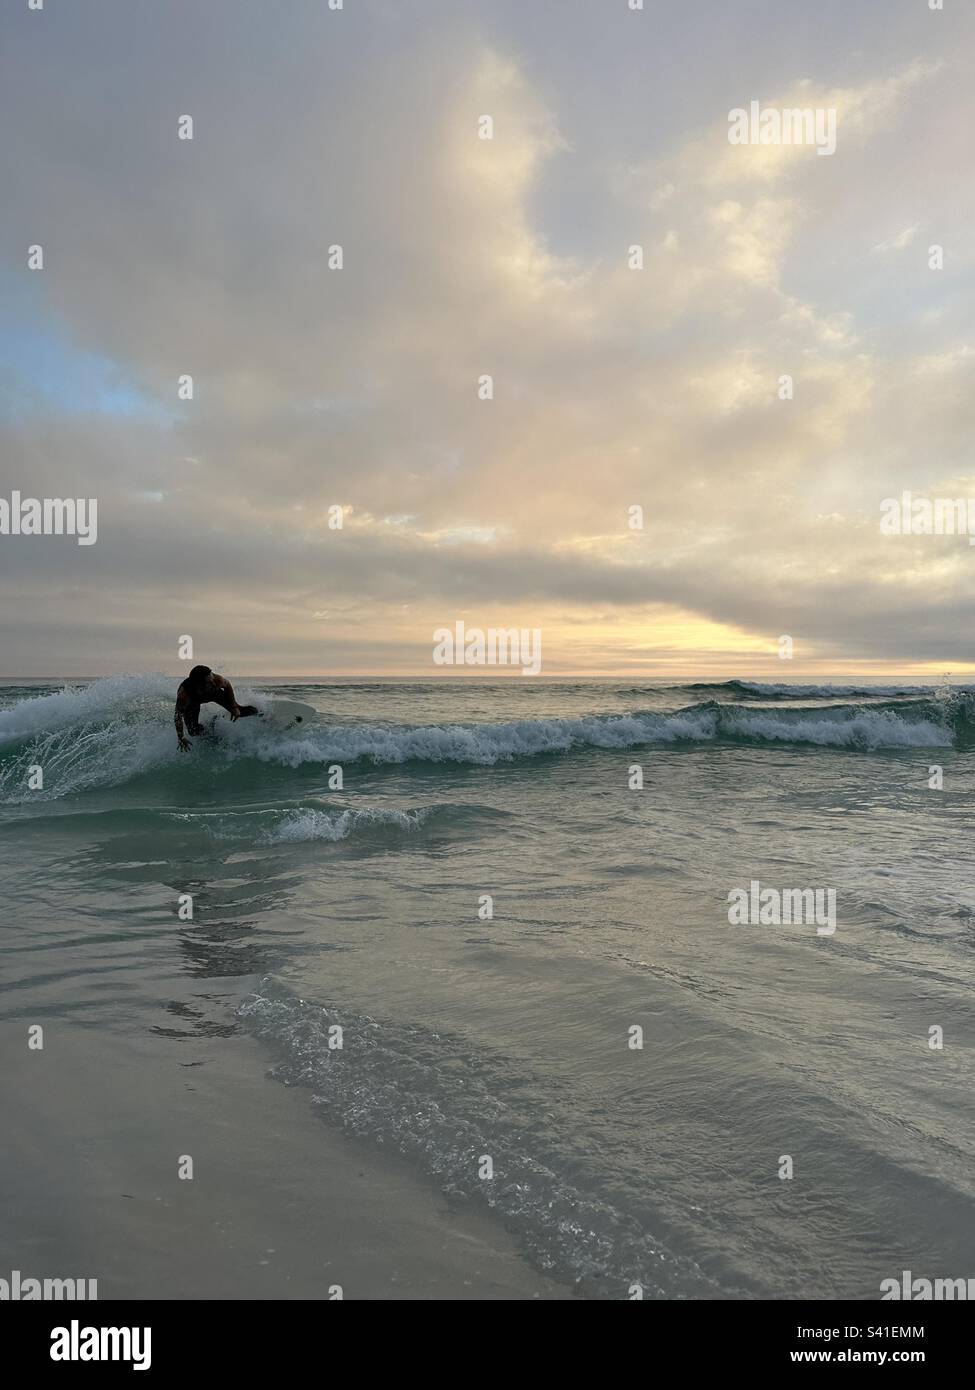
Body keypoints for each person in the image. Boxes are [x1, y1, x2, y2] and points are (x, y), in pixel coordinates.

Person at [174, 666, 259, 750]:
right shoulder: (184, 695)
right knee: (193, 731)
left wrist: (233, 706)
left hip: (215, 694)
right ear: (199, 684)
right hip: (193, 702)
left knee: (238, 711)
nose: (214, 683)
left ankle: (260, 713)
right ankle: (212, 731)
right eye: (209, 682)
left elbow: (227, 685)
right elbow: (178, 716)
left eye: (212, 679)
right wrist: (180, 737)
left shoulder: (216, 680)